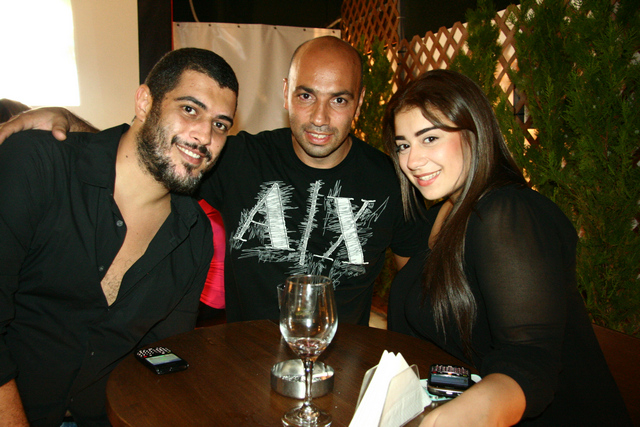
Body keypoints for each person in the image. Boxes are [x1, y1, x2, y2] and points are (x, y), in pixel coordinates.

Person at [0, 36, 429, 326]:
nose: (319, 117)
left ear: (360, 102)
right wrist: (67, 123)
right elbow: (149, 155)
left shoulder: (391, 180)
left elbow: (414, 287)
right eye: (305, 95)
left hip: (342, 378)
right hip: (241, 373)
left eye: (339, 99)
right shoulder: (238, 158)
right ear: (285, 93)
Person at [0, 47, 238, 426]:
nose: (205, 136)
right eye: (190, 109)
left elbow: (161, 356)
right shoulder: (37, 165)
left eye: (221, 124)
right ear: (144, 102)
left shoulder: (194, 236)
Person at [383, 69, 631, 426]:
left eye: (430, 138)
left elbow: (529, 359)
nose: (412, 161)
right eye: (403, 145)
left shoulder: (507, 214)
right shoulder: (440, 214)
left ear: (475, 132)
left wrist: (462, 415)